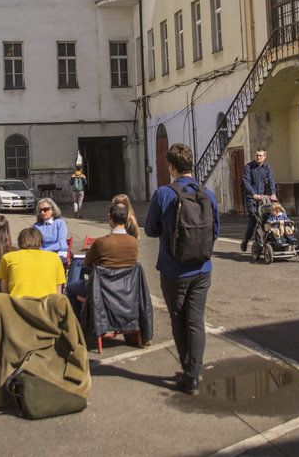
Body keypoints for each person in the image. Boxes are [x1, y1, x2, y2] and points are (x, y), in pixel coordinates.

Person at [144, 143, 219, 395]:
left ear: (171, 167)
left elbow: (151, 229)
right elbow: (215, 231)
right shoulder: (207, 194)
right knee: (196, 320)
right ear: (191, 165)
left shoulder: (164, 194)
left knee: (178, 319)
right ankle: (194, 373)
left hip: (173, 269)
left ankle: (188, 370)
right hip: (202, 267)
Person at [65, 202, 139, 319]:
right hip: (126, 289)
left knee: (70, 288)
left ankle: (79, 324)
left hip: (103, 289)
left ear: (109, 217)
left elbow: (87, 262)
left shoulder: (101, 242)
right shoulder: (133, 242)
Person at [0, 227, 66, 298]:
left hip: (18, 305)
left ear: (20, 241)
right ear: (40, 242)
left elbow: (4, 290)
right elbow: (58, 292)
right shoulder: (54, 258)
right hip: (46, 305)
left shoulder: (8, 257)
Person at [241, 148, 277, 252]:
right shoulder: (248, 167)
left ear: (265, 156)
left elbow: (271, 181)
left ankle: (264, 243)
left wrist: (273, 194)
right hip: (251, 199)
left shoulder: (267, 168)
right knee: (254, 220)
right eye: (257, 155)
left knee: (266, 220)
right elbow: (246, 183)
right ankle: (246, 241)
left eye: (260, 155)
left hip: (263, 199)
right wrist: (253, 194)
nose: (258, 157)